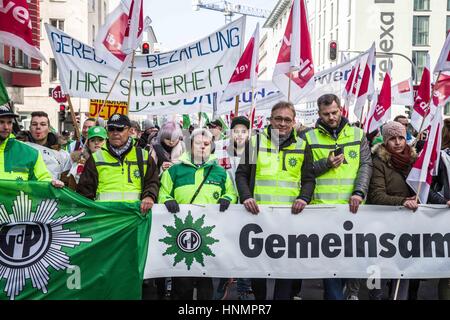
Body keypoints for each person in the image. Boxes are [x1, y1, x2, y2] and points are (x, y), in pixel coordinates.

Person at [235, 101, 315, 300]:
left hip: (289, 219)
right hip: (258, 218)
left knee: (285, 269)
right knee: (259, 269)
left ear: (294, 122)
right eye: (278, 118)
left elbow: (308, 179)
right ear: (270, 120)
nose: (282, 123)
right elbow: (241, 174)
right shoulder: (255, 142)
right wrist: (246, 197)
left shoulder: (303, 145)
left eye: (287, 119)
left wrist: (304, 198)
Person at [303, 94, 372, 300]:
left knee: (347, 263)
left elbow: (366, 165)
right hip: (324, 212)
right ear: (319, 114)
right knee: (331, 264)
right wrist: (326, 164)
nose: (331, 117)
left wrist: (359, 192)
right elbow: (303, 172)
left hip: (353, 210)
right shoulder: (309, 137)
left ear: (341, 109)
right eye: (326, 114)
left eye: (334, 112)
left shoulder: (358, 134)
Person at [158, 128, 237, 300]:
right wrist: (167, 199)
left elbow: (232, 193)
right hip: (181, 234)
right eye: (198, 143)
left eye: (207, 144)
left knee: (205, 283)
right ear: (190, 145)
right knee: (182, 283)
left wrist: (227, 198)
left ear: (212, 147)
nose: (202, 147)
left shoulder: (221, 172)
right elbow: (162, 192)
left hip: (209, 236)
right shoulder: (174, 170)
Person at [76, 114, 159, 214]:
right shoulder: (95, 158)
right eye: (111, 129)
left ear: (129, 130)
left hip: (134, 216)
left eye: (120, 129)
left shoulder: (143, 156)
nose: (115, 133)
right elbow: (84, 192)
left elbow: (152, 182)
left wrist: (149, 196)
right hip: (105, 219)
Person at [214, 116, 252, 300]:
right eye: (236, 130)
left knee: (245, 246)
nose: (239, 134)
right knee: (225, 245)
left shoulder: (255, 150)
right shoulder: (219, 149)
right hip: (225, 206)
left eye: (243, 130)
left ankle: (244, 287)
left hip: (247, 206)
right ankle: (224, 280)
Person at [0, 106, 62, 187]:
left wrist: (51, 184)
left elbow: (42, 179)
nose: (6, 127)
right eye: (1, 122)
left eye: (9, 122)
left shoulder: (31, 153)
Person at [26, 111, 71, 180]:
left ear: (49, 129)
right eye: (34, 124)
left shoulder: (62, 155)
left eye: (43, 124)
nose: (38, 127)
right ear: (29, 128)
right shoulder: (20, 150)